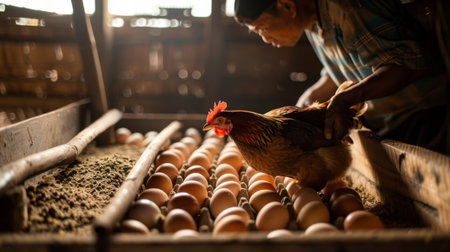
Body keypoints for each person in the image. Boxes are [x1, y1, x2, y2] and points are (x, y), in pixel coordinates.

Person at [233, 0, 448, 154]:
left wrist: (345, 99)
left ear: (287, 6)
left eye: (263, 28)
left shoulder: (348, 9)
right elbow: (344, 68)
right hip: (388, 124)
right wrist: (307, 100)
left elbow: (405, 65)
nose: (265, 38)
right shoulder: (313, 23)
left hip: (426, 118)